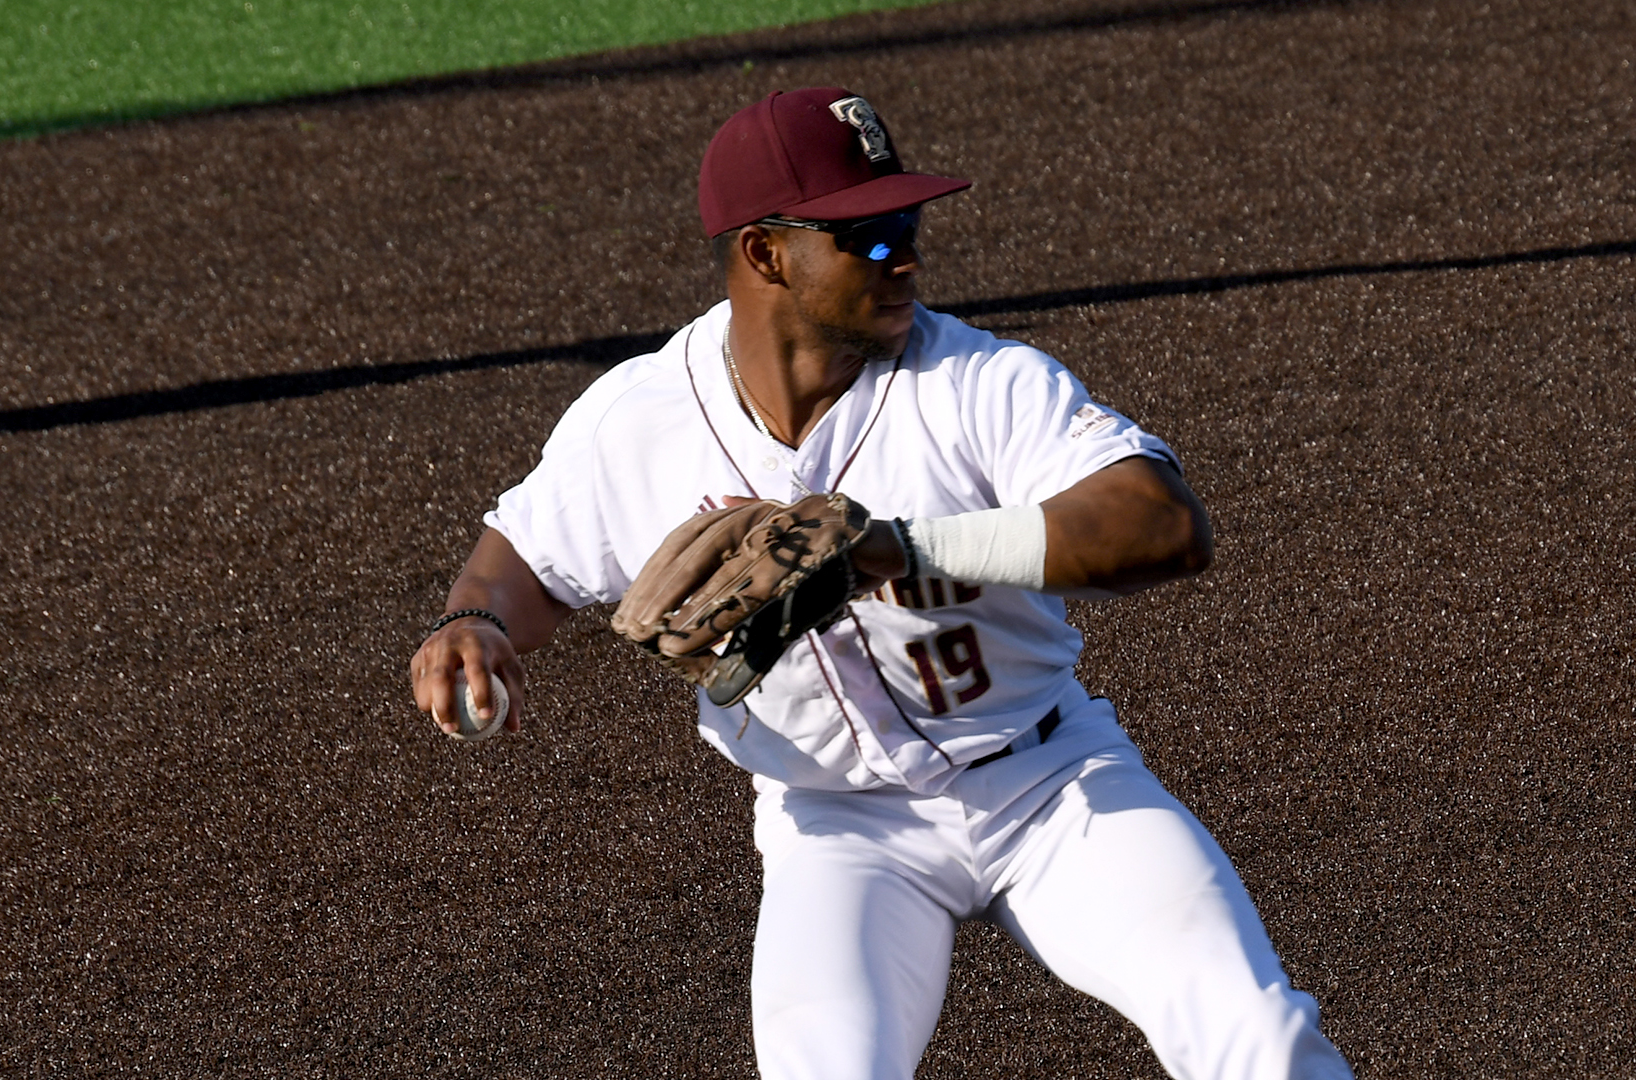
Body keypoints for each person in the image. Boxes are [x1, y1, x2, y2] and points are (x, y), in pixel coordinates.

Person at [409, 87, 1354, 1080]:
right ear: (767, 253)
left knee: (1259, 1038)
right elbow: (520, 558)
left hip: (1050, 784)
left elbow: (1162, 523)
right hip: (839, 832)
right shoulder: (637, 418)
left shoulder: (978, 382)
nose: (903, 254)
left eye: (907, 222)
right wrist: (473, 623)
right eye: (866, 234)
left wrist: (899, 550)